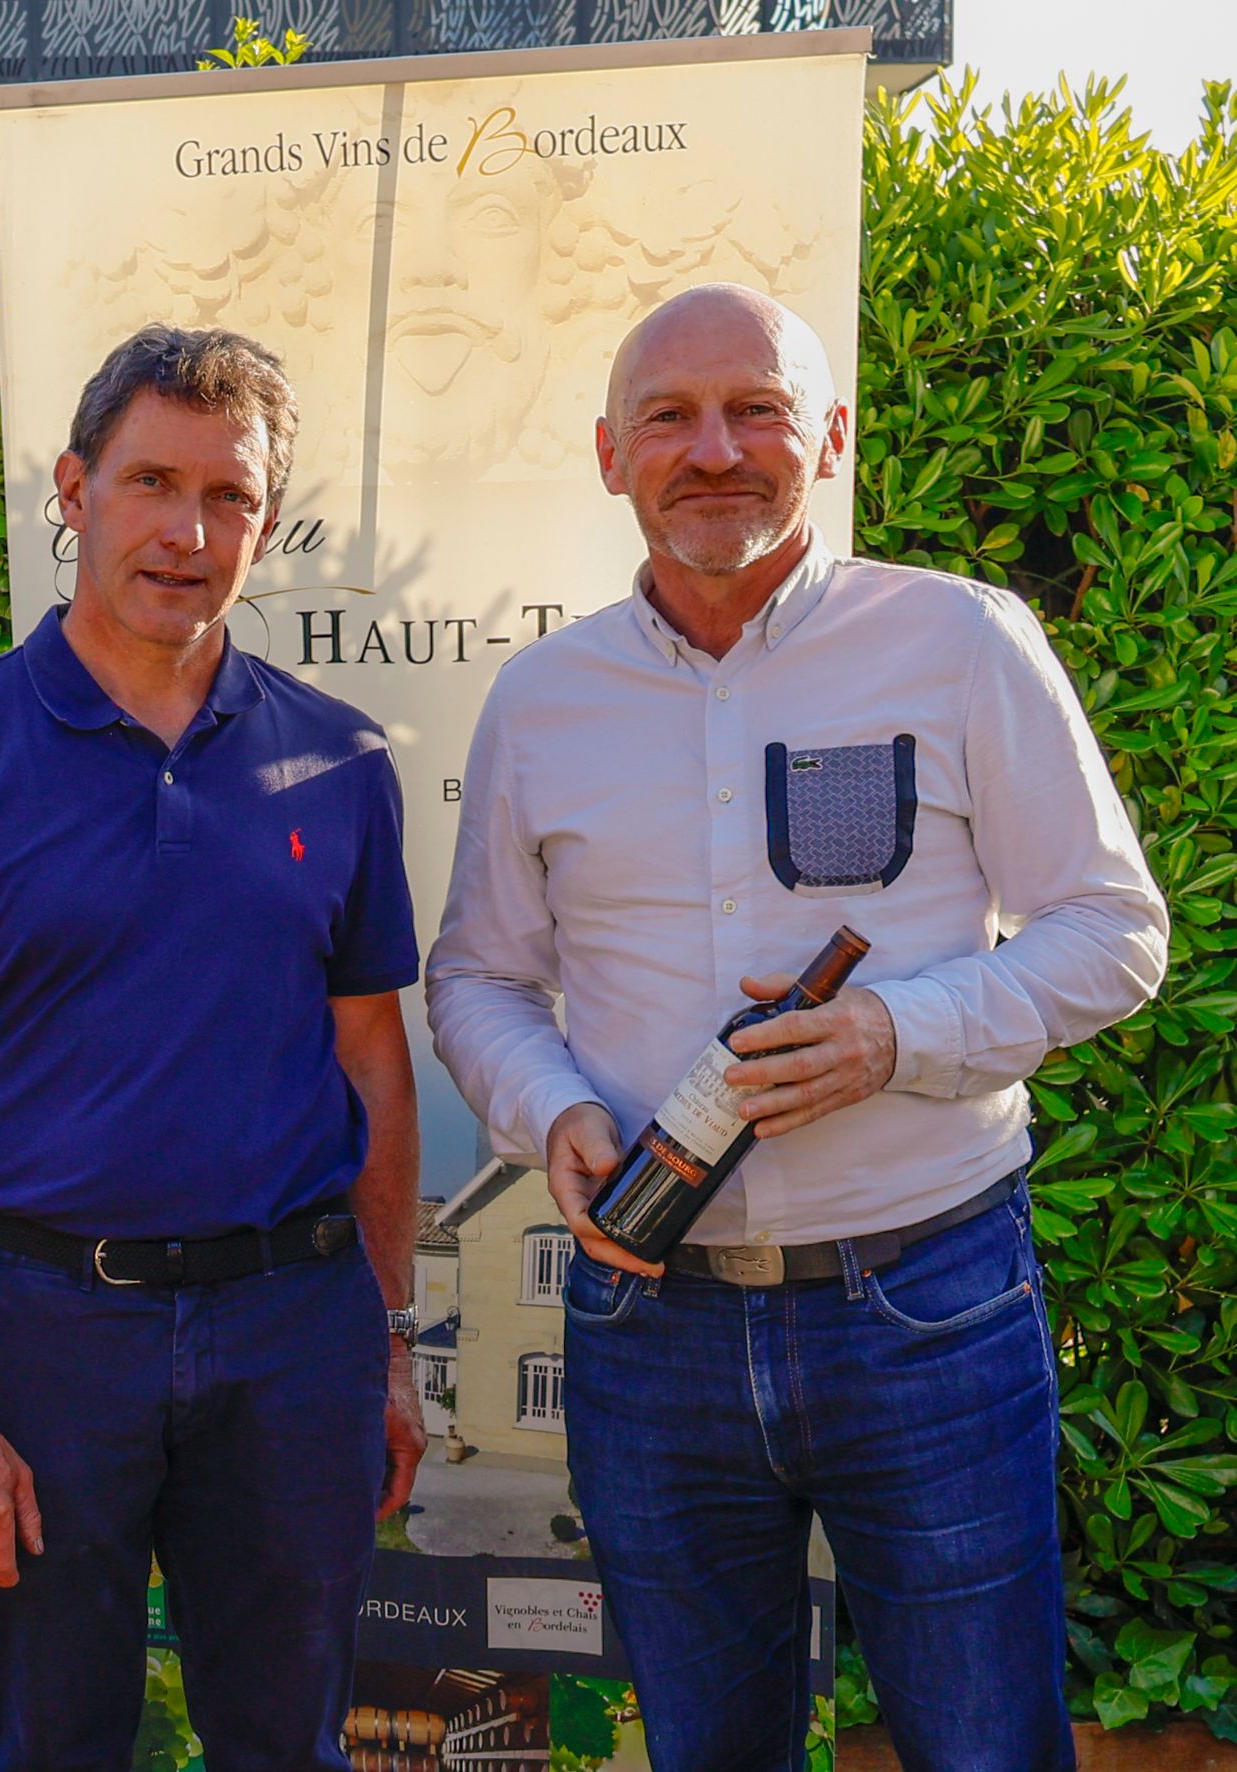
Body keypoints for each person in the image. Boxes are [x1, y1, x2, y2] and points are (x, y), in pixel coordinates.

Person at [425, 283, 1168, 1772]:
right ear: (611, 455)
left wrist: (898, 1033)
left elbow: (1115, 931)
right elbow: (479, 981)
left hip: (928, 1306)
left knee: (983, 1746)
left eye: (755, 409)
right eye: (669, 417)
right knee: (707, 1748)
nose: (715, 449)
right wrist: (553, 1109)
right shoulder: (542, 699)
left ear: (827, 438)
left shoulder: (961, 641)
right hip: (649, 1324)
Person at [0, 325, 427, 1772]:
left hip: (293, 1333)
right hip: (44, 1339)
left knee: (291, 1748)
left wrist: (390, 1346)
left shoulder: (342, 761)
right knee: (60, 1746)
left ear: (266, 524)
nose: (187, 532)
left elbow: (373, 1069)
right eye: (152, 481)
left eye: (229, 496)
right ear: (74, 488)